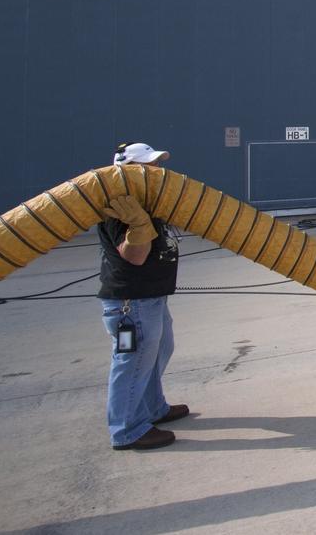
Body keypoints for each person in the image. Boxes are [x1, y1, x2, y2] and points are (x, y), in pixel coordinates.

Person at [98, 142, 189, 450]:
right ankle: (126, 429)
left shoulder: (144, 203)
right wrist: (138, 225)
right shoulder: (120, 207)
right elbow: (133, 257)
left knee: (161, 349)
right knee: (133, 360)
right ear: (128, 171)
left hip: (151, 297)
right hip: (130, 303)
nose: (157, 172)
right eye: (149, 167)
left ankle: (152, 408)